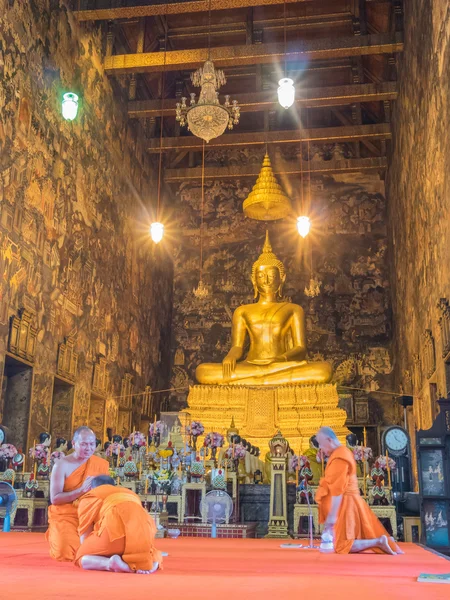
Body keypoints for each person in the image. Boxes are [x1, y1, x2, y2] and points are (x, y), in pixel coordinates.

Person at [315, 426, 403, 555]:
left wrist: (331, 519)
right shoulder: (342, 452)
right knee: (356, 535)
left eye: (321, 445)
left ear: (329, 440)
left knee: (342, 545)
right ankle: (381, 541)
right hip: (351, 501)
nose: (321, 449)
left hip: (347, 503)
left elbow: (337, 490)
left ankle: (378, 541)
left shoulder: (340, 456)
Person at [75, 475, 162, 574]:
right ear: (114, 485)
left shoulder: (91, 496)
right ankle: (152, 563)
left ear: (91, 488)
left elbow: (85, 538)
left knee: (81, 557)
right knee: (150, 550)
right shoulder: (131, 494)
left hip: (113, 534)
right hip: (143, 534)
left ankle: (109, 563)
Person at [46, 426, 109, 562]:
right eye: (84, 444)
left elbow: (105, 493)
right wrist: (80, 491)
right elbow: (55, 499)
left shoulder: (101, 464)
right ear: (74, 444)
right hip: (67, 515)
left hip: (91, 515)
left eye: (92, 444)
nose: (88, 448)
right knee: (66, 552)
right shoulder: (61, 465)